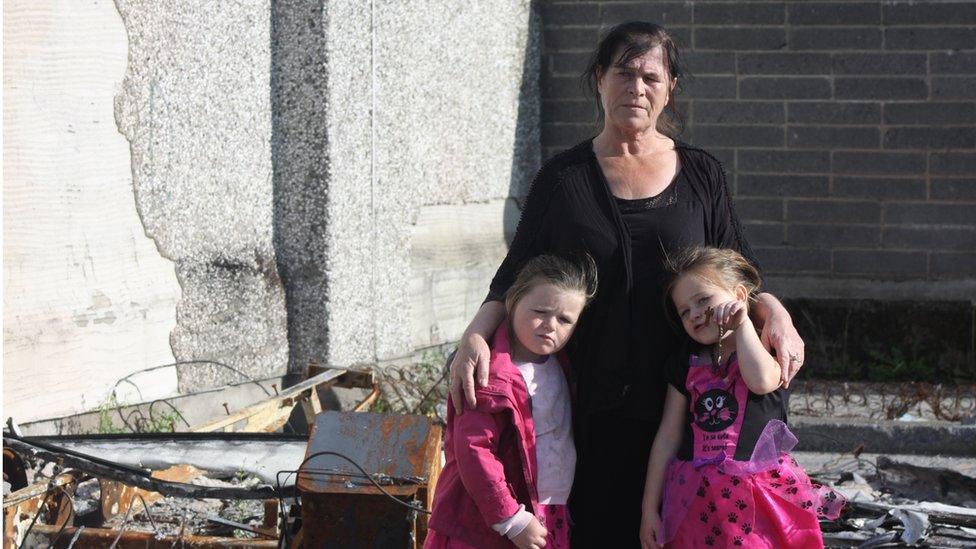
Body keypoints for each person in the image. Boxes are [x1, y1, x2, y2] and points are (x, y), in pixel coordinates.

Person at [448, 21, 807, 546]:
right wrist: (475, 336)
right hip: (590, 402)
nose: (636, 88)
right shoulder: (563, 178)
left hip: (687, 401)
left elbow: (741, 264)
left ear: (670, 89)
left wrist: (777, 312)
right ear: (599, 78)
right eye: (623, 72)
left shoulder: (701, 173)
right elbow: (514, 272)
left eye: (650, 77)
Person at [640, 246, 843, 548]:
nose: (695, 313)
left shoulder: (767, 346)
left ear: (739, 295)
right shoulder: (685, 362)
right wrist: (649, 510)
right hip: (697, 495)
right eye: (685, 310)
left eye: (703, 300)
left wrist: (744, 323)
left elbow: (761, 381)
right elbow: (668, 436)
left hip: (757, 495)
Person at [427, 254, 598, 549]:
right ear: (513, 302)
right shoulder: (490, 372)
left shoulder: (560, 363)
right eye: (540, 311)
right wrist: (511, 519)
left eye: (565, 319)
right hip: (486, 523)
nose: (550, 325)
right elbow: (474, 449)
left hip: (545, 511)